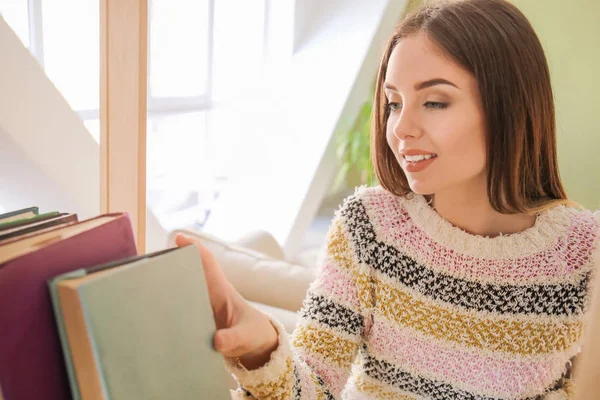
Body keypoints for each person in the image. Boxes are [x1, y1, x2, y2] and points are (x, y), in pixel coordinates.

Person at [176, 0, 600, 398]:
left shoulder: (585, 252)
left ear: (510, 106)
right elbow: (314, 388)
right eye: (394, 103)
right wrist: (262, 347)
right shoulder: (371, 226)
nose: (401, 128)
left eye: (434, 102)